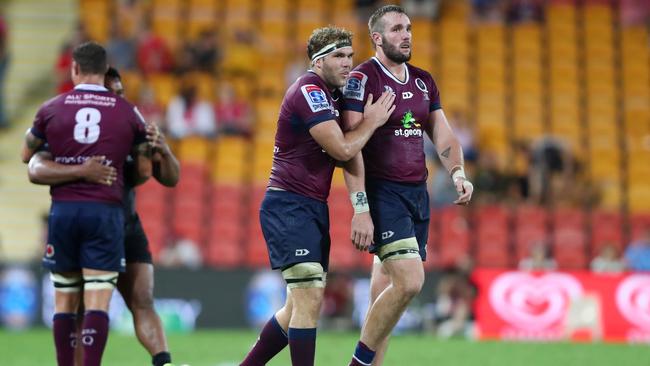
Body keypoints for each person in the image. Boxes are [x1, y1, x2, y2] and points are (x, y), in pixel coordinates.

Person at [239, 26, 395, 366]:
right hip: (289, 204)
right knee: (309, 299)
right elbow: (342, 148)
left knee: (295, 306)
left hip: (311, 206)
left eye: (350, 56)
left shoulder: (332, 94)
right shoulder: (309, 91)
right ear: (318, 61)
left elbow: (350, 153)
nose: (347, 63)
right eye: (339, 56)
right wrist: (371, 122)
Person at [341, 5, 474, 365]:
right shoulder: (361, 80)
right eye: (398, 28)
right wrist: (361, 208)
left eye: (409, 28)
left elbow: (442, 133)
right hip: (383, 194)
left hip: (418, 194)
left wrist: (458, 172)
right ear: (377, 38)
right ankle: (359, 363)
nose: (406, 34)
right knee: (411, 281)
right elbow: (348, 148)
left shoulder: (422, 81)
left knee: (384, 292)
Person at [27, 66, 180, 366]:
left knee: (143, 299)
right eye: (113, 94)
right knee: (85, 308)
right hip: (93, 223)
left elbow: (169, 178)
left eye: (121, 94)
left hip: (126, 223)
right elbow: (34, 164)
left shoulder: (133, 128)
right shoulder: (77, 133)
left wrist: (160, 148)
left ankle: (164, 362)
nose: (119, 100)